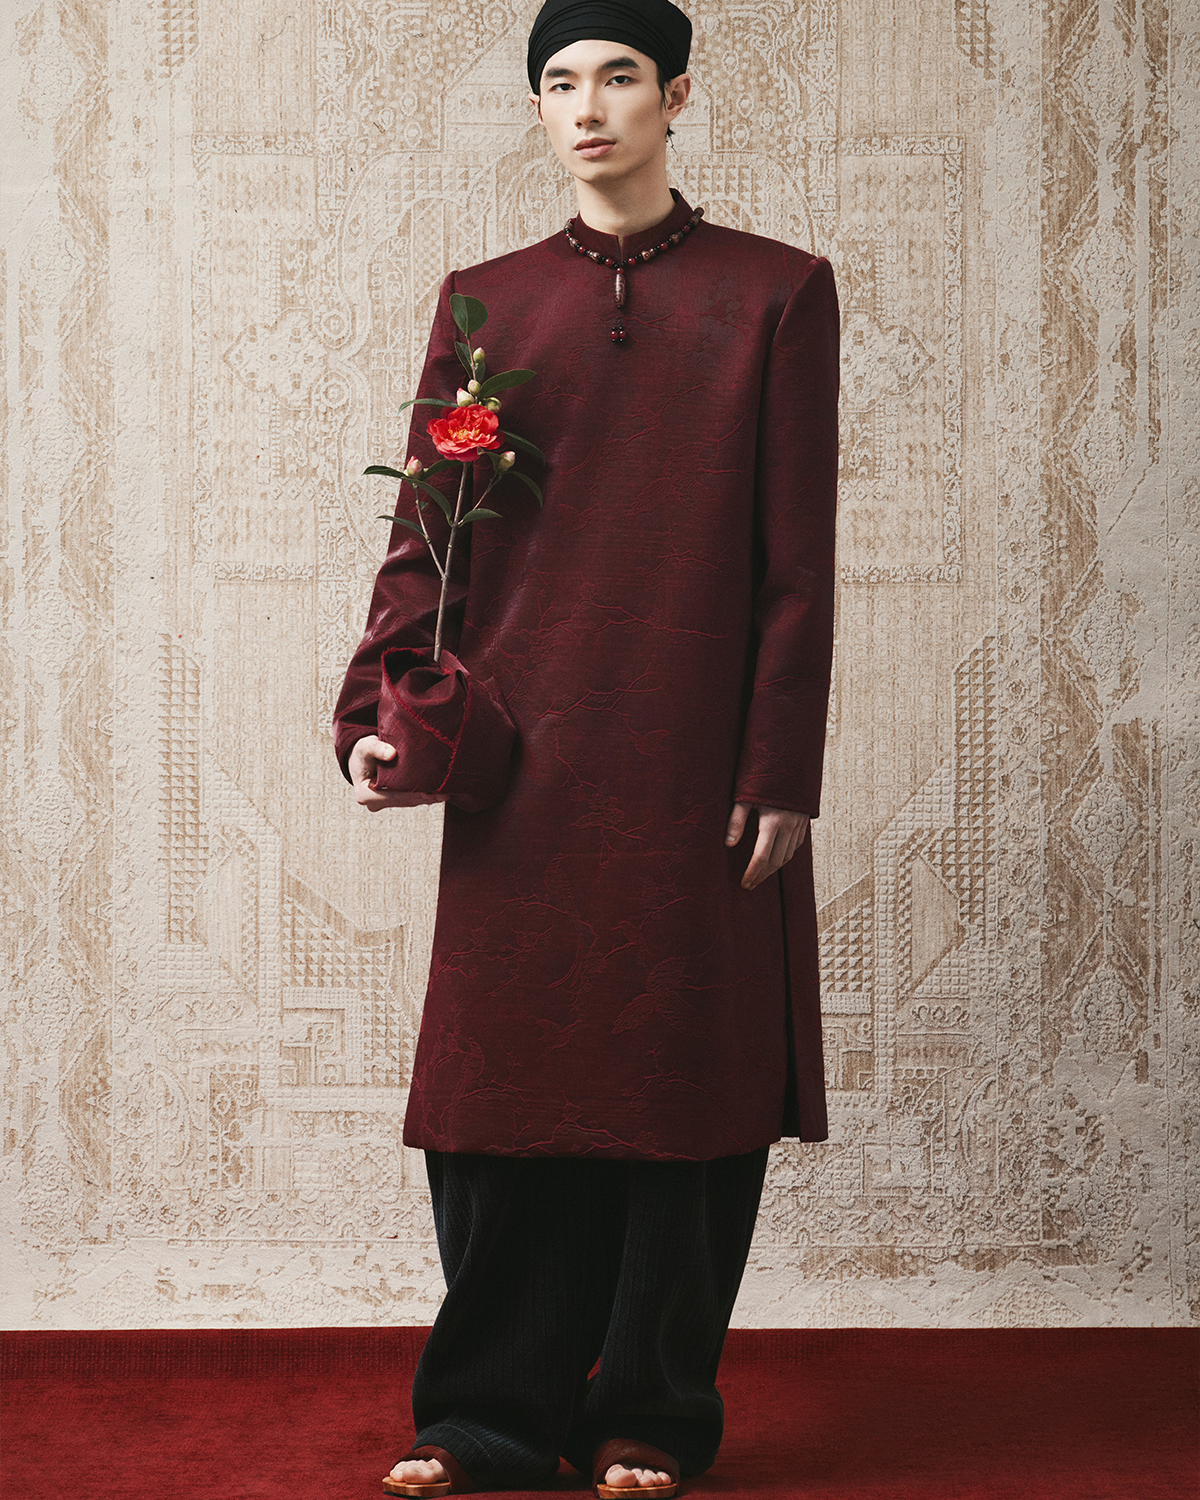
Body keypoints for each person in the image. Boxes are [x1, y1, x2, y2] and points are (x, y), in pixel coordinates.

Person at [333, 0, 839, 1493]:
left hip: (695, 759)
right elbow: (427, 535)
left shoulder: (778, 293)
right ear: (539, 110)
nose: (591, 105)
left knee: (683, 1095)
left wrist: (780, 768)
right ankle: (485, 1419)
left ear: (675, 94)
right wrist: (376, 711)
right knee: (501, 1099)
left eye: (621, 76)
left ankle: (650, 1418)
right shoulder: (485, 303)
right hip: (521, 757)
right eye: (561, 82)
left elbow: (797, 562)